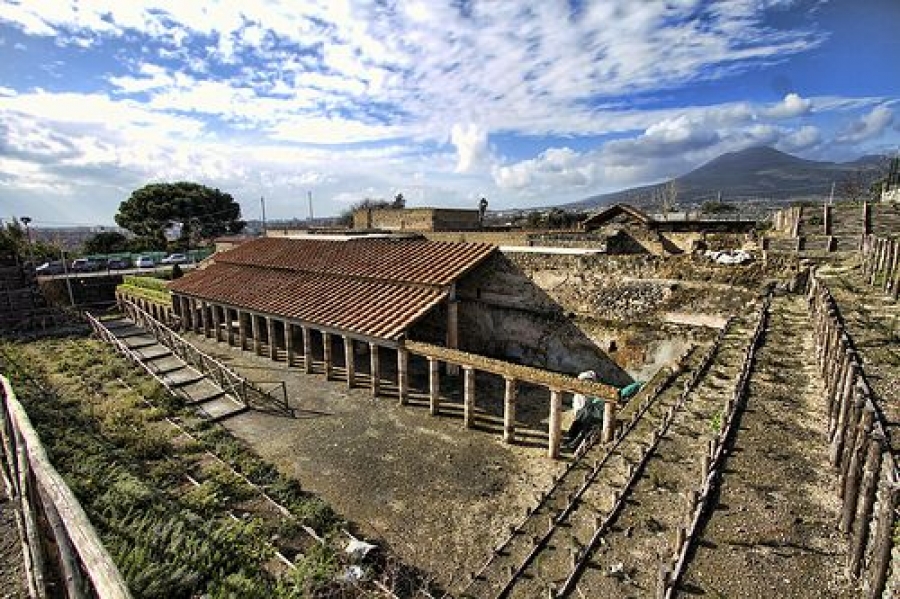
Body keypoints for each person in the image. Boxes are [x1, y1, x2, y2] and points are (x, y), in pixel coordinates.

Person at [565, 370, 604, 449]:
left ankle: (575, 442)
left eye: (589, 381)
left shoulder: (597, 393)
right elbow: (579, 408)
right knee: (582, 421)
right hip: (584, 415)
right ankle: (573, 441)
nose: (587, 383)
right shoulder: (579, 395)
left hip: (592, 417)